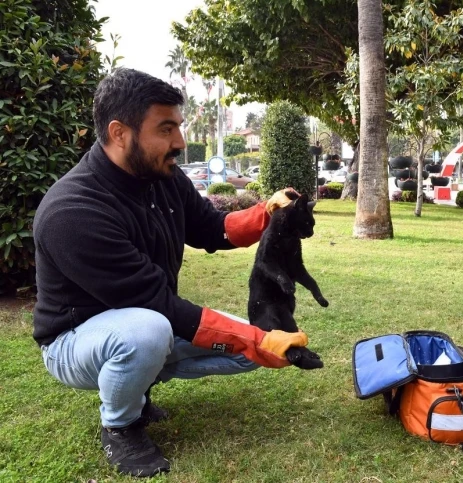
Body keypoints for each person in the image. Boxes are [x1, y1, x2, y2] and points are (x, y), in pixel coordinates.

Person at [32, 68, 312, 478]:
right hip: (73, 342)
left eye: (178, 127)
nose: (180, 142)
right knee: (150, 333)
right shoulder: (73, 212)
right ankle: (121, 425)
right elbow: (156, 304)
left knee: (250, 349)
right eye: (166, 129)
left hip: (146, 321)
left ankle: (137, 377)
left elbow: (211, 228)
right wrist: (257, 340)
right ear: (119, 132)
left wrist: (268, 214)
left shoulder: (160, 177)